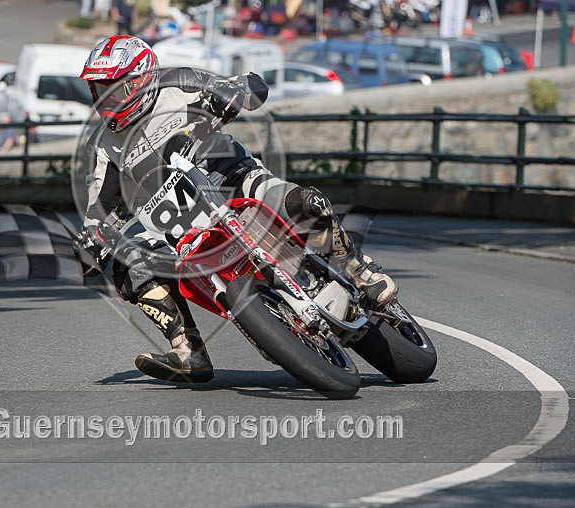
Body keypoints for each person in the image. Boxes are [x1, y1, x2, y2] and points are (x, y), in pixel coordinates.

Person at [73, 36, 397, 384]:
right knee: (126, 263)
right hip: (178, 221)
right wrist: (91, 239)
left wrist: (232, 94)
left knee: (303, 203)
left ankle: (359, 269)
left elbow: (249, 84)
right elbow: (99, 206)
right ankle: (188, 349)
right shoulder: (103, 145)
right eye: (98, 88)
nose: (106, 98)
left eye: (114, 87)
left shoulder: (179, 82)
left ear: (141, 78)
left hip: (234, 178)